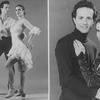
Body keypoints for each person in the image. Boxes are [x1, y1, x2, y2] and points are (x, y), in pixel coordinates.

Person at [55, 0, 100, 100]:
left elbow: (92, 79)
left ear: (93, 21)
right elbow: (66, 79)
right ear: (74, 20)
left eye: (88, 18)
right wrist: (95, 93)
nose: (84, 22)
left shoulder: (93, 46)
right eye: (81, 18)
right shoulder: (64, 43)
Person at [5, 4, 41, 98]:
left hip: (19, 48)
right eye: (16, 10)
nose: (17, 11)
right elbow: (19, 34)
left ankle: (11, 89)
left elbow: (34, 29)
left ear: (23, 11)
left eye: (19, 10)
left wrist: (30, 40)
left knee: (8, 65)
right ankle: (22, 90)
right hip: (16, 47)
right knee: (21, 70)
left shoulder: (24, 21)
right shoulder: (16, 22)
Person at [0, 0, 17, 91]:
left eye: (9, 8)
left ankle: (11, 87)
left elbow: (15, 34)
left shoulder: (12, 21)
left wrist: (5, 30)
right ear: (1, 8)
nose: (8, 9)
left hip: (8, 42)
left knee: (10, 64)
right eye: (6, 7)